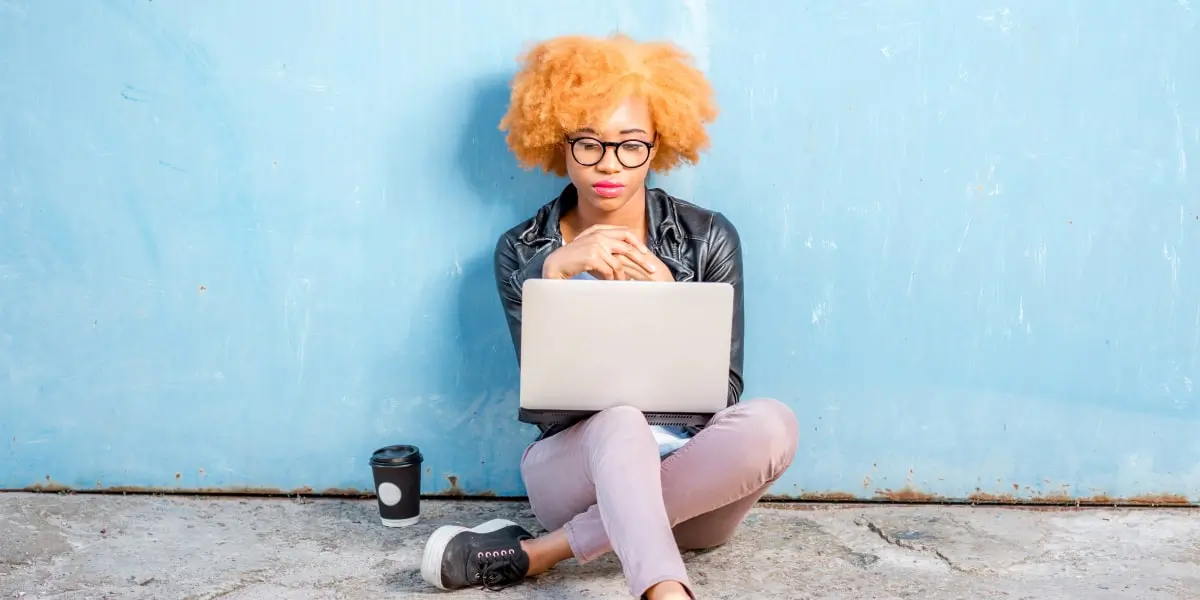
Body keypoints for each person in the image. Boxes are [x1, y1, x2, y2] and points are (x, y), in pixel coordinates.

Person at [420, 33, 799, 600]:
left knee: (774, 422)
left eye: (630, 145)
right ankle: (665, 590)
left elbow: (725, 390)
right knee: (620, 422)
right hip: (575, 477)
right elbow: (547, 403)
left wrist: (672, 299)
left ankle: (541, 553)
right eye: (589, 144)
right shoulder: (523, 249)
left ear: (658, 143)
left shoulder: (709, 237)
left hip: (696, 497)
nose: (610, 165)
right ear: (558, 141)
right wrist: (552, 277)